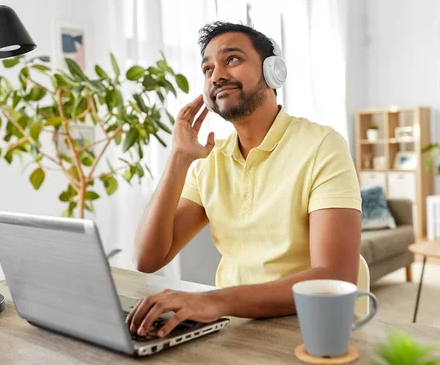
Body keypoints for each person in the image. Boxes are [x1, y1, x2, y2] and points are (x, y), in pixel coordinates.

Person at [127, 21, 362, 338]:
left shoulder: (322, 145)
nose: (217, 75)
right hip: (234, 327)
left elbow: (336, 276)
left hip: (310, 326)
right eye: (207, 69)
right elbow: (147, 258)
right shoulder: (208, 161)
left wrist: (212, 301)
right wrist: (178, 159)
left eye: (232, 59)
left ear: (273, 71)